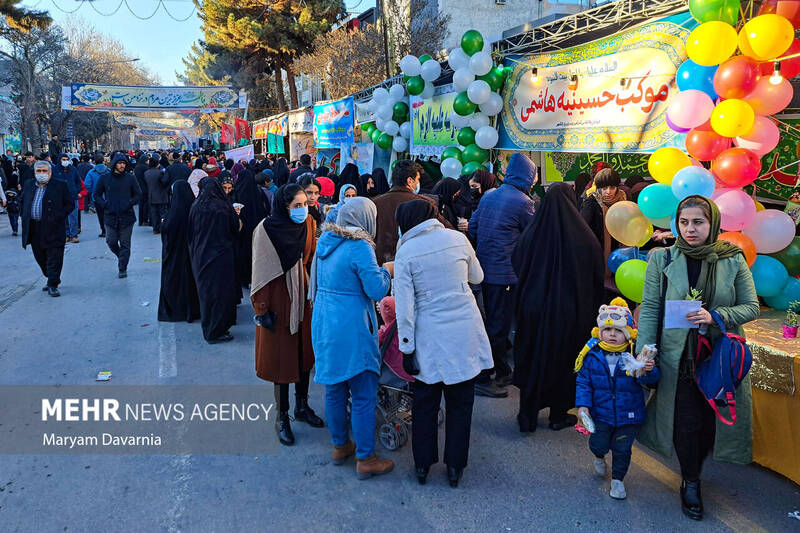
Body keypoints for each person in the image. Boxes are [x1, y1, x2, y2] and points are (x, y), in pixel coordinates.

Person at [635, 195, 759, 521]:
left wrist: (715, 316)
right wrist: (643, 351)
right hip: (678, 359)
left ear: (712, 223)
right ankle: (690, 480)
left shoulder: (732, 258)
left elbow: (751, 307)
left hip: (718, 360)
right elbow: (651, 307)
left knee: (708, 422)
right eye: (684, 222)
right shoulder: (662, 258)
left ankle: (697, 466)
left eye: (698, 222)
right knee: (685, 421)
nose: (690, 229)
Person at [393, 199, 493, 488]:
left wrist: (406, 347)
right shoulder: (458, 238)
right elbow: (478, 276)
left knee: (425, 401)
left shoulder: (406, 251)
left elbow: (404, 307)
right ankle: (455, 466)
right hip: (463, 329)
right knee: (461, 401)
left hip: (429, 333)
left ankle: (423, 464)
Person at [309, 197, 394, 479]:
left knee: (334, 388)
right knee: (362, 393)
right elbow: (376, 290)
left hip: (325, 320)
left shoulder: (326, 241)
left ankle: (340, 445)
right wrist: (386, 271)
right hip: (352, 322)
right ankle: (366, 458)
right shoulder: (360, 246)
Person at [511, 182, 605, 430]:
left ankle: (527, 415)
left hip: (533, 307)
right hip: (569, 311)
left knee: (533, 357)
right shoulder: (584, 237)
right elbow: (595, 273)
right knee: (564, 361)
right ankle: (558, 414)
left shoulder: (532, 233)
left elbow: (516, 260)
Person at [252, 183, 322, 446]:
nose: (303, 209)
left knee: (303, 356)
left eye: (305, 204)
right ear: (284, 207)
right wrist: (261, 310)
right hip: (277, 300)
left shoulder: (309, 224)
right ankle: (281, 417)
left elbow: (311, 257)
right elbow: (259, 272)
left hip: (303, 296)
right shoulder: (266, 229)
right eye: (297, 205)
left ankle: (302, 406)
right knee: (281, 362)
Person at [575, 298, 660, 500]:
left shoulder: (635, 354)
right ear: (600, 331)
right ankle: (599, 456)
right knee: (598, 444)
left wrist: (648, 370)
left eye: (619, 331)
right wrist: (583, 406)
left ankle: (618, 481)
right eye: (607, 329)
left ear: (628, 333)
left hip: (628, 414)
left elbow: (649, 382)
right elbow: (584, 382)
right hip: (600, 413)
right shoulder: (592, 355)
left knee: (622, 449)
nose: (612, 334)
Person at [468, 153, 537, 398]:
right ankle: (487, 374)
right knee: (499, 325)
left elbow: (473, 228)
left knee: (493, 321)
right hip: (506, 274)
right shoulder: (524, 202)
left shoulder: (489, 196)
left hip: (485, 270)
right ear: (527, 176)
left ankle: (501, 369)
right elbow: (532, 237)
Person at [188, 177, 241, 343]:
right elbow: (235, 228)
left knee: (207, 293)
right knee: (221, 293)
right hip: (221, 256)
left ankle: (210, 328)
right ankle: (217, 330)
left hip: (200, 256)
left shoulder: (196, 206)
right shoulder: (223, 207)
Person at [373, 160, 448, 264]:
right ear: (410, 181)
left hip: (380, 263)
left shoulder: (374, 203)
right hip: (413, 263)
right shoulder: (425, 204)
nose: (418, 183)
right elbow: (445, 229)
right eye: (417, 179)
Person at [20, 161, 74, 297]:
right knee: (40, 256)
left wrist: (57, 217)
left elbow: (70, 204)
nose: (41, 174)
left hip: (53, 227)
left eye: (44, 171)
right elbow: (23, 201)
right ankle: (51, 276)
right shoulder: (29, 185)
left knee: (54, 256)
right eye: (39, 171)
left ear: (50, 172)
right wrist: (23, 214)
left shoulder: (60, 185)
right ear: (34, 173)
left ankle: (53, 284)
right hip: (34, 227)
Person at [158, 180, 201, 323]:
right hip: (192, 257)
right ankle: (193, 310)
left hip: (175, 258)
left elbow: (167, 236)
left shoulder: (172, 215)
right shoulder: (194, 211)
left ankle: (178, 311)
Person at [93, 153, 141, 279]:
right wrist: (105, 205)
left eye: (124, 163)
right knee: (111, 241)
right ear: (114, 164)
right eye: (119, 163)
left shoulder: (130, 178)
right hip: (110, 216)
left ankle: (122, 267)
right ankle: (121, 256)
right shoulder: (105, 178)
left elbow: (138, 194)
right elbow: (96, 195)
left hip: (127, 216)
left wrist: (129, 203)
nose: (122, 165)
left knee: (125, 243)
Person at [580, 167, 626, 280]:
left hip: (620, 250)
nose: (608, 192)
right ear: (598, 188)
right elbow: (583, 226)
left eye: (612, 188)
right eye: (604, 188)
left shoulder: (623, 199)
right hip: (599, 252)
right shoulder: (591, 201)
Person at [234, 166, 269, 288]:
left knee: (243, 252)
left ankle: (243, 279)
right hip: (257, 228)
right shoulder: (258, 192)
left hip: (242, 230)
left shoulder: (237, 191)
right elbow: (266, 209)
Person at [54, 154, 81, 243]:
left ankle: (74, 235)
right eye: (63, 159)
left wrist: (76, 190)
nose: (65, 161)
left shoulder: (73, 169)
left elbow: (78, 182)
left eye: (66, 159)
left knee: (73, 217)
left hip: (72, 196)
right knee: (63, 217)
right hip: (60, 197)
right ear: (59, 160)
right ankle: (66, 234)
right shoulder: (55, 170)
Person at [84, 155, 109, 237]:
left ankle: (103, 231)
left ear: (94, 162)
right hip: (109, 197)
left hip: (97, 198)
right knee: (109, 214)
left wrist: (93, 192)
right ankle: (110, 230)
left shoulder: (91, 172)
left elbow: (87, 184)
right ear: (103, 161)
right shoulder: (109, 171)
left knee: (100, 215)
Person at [144, 156, 169, 234]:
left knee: (154, 214)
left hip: (151, 196)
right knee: (162, 213)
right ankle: (163, 227)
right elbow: (164, 182)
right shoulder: (160, 173)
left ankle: (155, 228)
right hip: (161, 195)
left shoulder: (146, 173)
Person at [134, 153, 150, 227]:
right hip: (145, 188)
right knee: (146, 204)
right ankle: (145, 220)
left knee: (141, 204)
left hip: (138, 188)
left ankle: (140, 221)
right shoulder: (146, 167)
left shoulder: (137, 167)